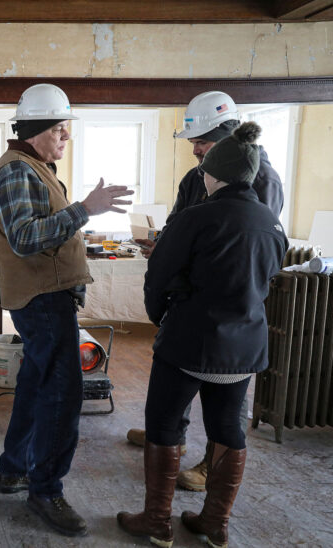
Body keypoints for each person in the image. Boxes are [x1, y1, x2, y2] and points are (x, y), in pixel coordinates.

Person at [117, 122, 288, 548]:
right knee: (228, 429)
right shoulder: (271, 223)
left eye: (205, 168)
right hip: (244, 347)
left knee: (164, 424)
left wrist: (161, 318)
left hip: (189, 343)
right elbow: (268, 280)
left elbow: (159, 277)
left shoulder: (197, 217)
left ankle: (157, 522)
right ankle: (215, 523)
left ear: (216, 174)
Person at [0, 83, 133, 537]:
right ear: (35, 130)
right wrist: (85, 209)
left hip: (47, 295)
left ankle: (14, 470)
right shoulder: (16, 172)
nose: (66, 139)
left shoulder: (36, 167)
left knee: (35, 383)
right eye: (60, 131)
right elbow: (26, 238)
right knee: (63, 395)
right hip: (42, 299)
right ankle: (45, 490)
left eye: (66, 132)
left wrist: (76, 224)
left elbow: (44, 228)